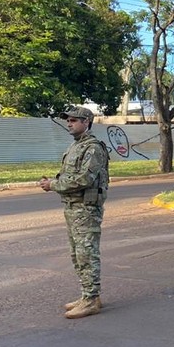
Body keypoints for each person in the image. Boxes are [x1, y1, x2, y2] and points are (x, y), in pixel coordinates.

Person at [40, 105, 110, 319]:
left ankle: (91, 300)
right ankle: (89, 295)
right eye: (68, 120)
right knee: (77, 254)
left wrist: (53, 185)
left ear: (86, 122)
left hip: (86, 209)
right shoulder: (75, 146)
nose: (69, 123)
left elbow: (84, 179)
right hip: (73, 207)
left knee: (86, 254)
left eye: (73, 120)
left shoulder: (93, 148)